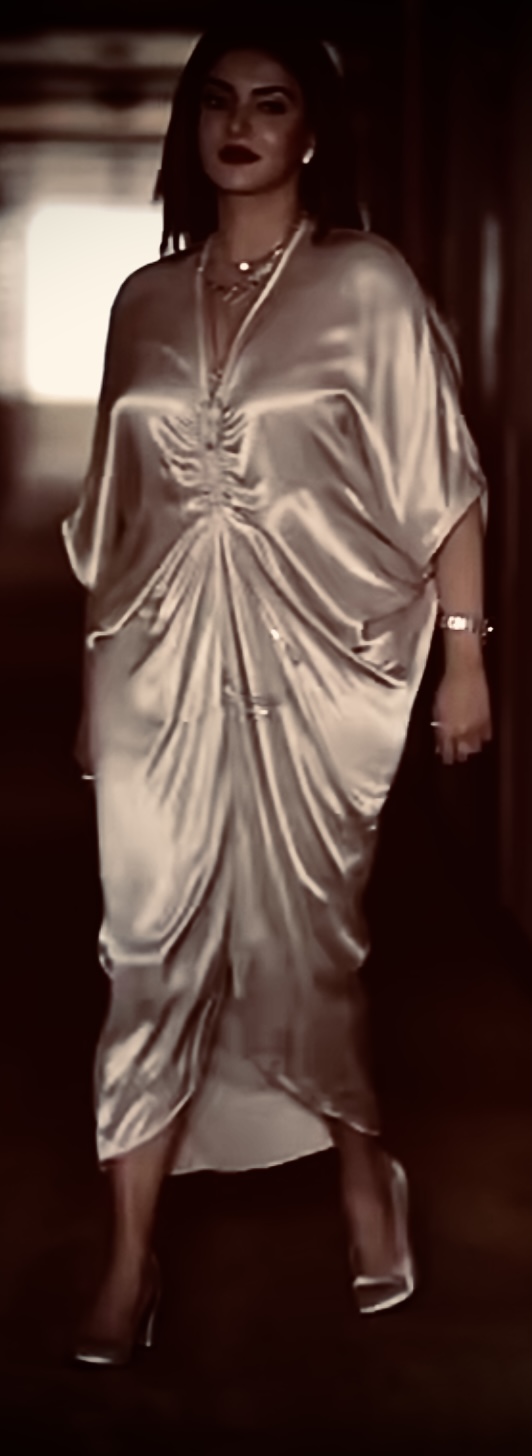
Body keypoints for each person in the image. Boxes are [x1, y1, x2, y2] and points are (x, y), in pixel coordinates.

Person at [64, 20, 492, 1366]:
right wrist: (91, 682)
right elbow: (114, 514)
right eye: (216, 103)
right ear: (190, 127)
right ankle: (129, 1261)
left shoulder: (367, 283)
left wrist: (466, 655)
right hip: (154, 671)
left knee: (307, 946)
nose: (239, 126)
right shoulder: (144, 298)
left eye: (269, 103)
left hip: (317, 670)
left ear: (311, 132)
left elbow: (443, 483)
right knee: (146, 947)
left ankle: (366, 1173)